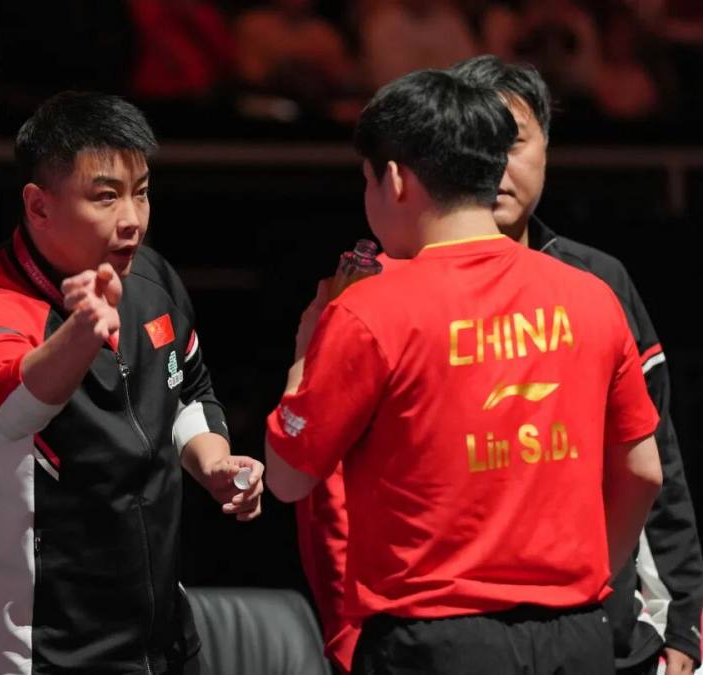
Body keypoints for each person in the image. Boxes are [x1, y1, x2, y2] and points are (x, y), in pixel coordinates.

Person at [265, 68, 663, 675]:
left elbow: (288, 477)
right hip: (578, 636)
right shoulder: (591, 297)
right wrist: (593, 581)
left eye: (367, 179)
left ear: (395, 178)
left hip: (434, 643)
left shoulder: (368, 311)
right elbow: (644, 471)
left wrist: (307, 351)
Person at [0, 92, 264, 674]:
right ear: (38, 206)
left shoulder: (152, 278)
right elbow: (9, 410)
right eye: (106, 196)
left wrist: (212, 460)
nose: (132, 218)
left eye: (142, 192)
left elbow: (186, 388)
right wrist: (84, 330)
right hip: (42, 652)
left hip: (164, 642)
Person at [449, 54, 703, 675]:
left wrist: (683, 618)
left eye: (514, 142)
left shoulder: (599, 283)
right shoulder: (399, 292)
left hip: (599, 630)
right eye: (476, 142)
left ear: (547, 147)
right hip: (455, 633)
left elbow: (654, 460)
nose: (495, 165)